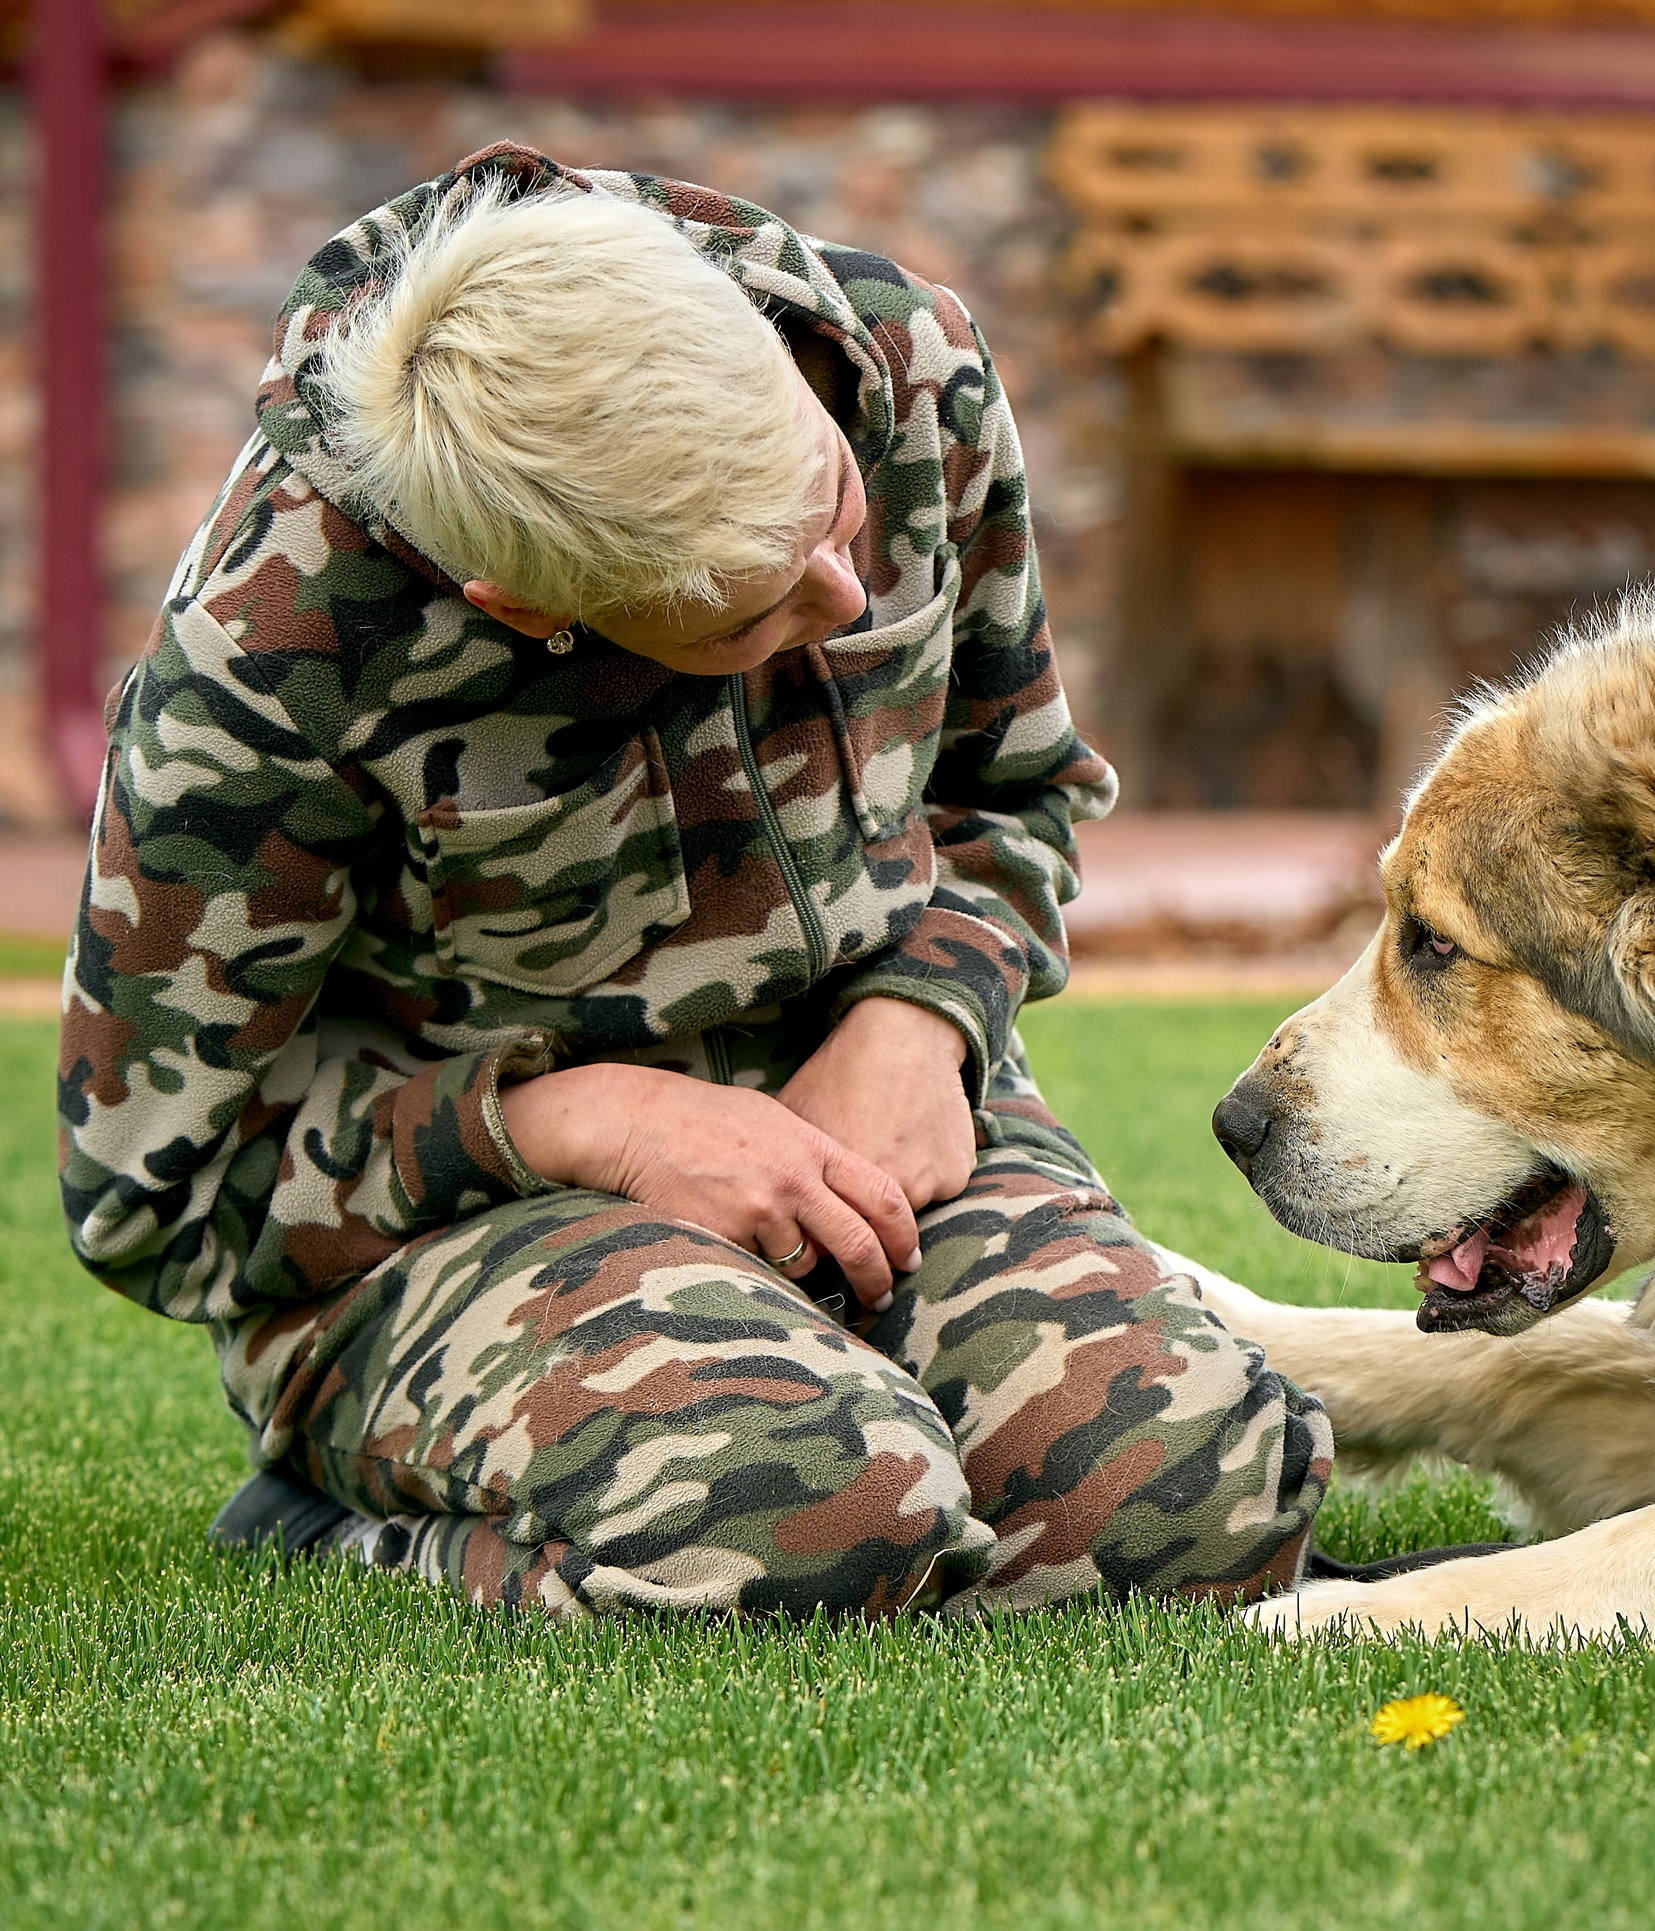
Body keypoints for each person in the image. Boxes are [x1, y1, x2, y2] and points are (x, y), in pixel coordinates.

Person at [56, 143, 1331, 1620]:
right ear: (527, 606)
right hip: (464, 1220)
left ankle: (823, 1397)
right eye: (753, 610)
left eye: (837, 513)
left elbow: (1017, 793)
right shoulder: (273, 660)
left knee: (1193, 1506)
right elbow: (159, 1191)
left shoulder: (907, 369)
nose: (846, 601)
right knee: (816, 1522)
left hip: (864, 1118)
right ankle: (335, 1523)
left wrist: (919, 1019)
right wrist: (574, 1122)